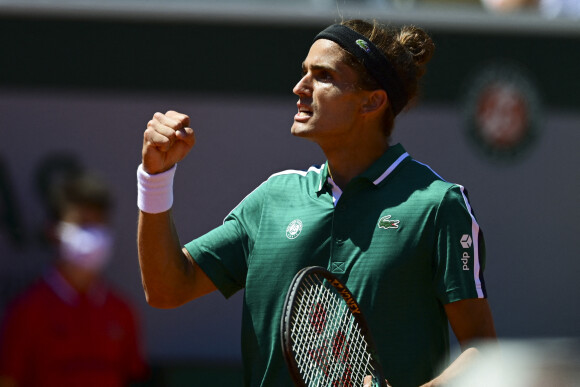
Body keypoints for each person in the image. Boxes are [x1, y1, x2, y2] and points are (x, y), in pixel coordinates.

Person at [137, 19, 497, 387]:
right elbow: (167, 288)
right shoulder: (272, 200)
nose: (299, 88)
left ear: (372, 101)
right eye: (304, 72)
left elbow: (483, 351)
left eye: (322, 76)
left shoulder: (437, 205)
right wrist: (155, 178)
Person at [0, 173, 148, 387]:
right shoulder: (26, 311)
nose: (93, 235)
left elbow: (133, 376)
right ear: (53, 230)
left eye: (99, 224)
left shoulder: (123, 311)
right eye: (83, 223)